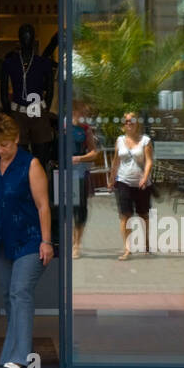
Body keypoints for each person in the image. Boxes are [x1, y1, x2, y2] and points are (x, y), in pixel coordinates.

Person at [0, 113, 53, 368]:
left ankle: (20, 357)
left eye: (6, 145)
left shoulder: (31, 164)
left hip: (30, 239)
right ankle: (14, 351)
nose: (2, 150)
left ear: (17, 139)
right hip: (3, 240)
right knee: (9, 298)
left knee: (20, 292)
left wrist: (46, 241)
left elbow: (43, 205)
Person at [109, 111, 154, 260]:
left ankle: (146, 243)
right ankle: (127, 249)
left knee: (143, 215)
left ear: (137, 123)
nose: (129, 123)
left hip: (141, 183)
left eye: (131, 120)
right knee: (125, 216)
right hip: (123, 181)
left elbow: (149, 161)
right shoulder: (120, 140)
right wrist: (111, 178)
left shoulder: (145, 141)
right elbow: (116, 161)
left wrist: (145, 177)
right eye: (126, 121)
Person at [69, 100, 103, 259]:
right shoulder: (62, 126)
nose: (84, 116)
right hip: (61, 173)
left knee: (79, 209)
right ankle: (68, 242)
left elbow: (94, 153)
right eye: (82, 112)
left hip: (79, 173)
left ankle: (77, 244)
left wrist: (79, 158)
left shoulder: (85, 130)